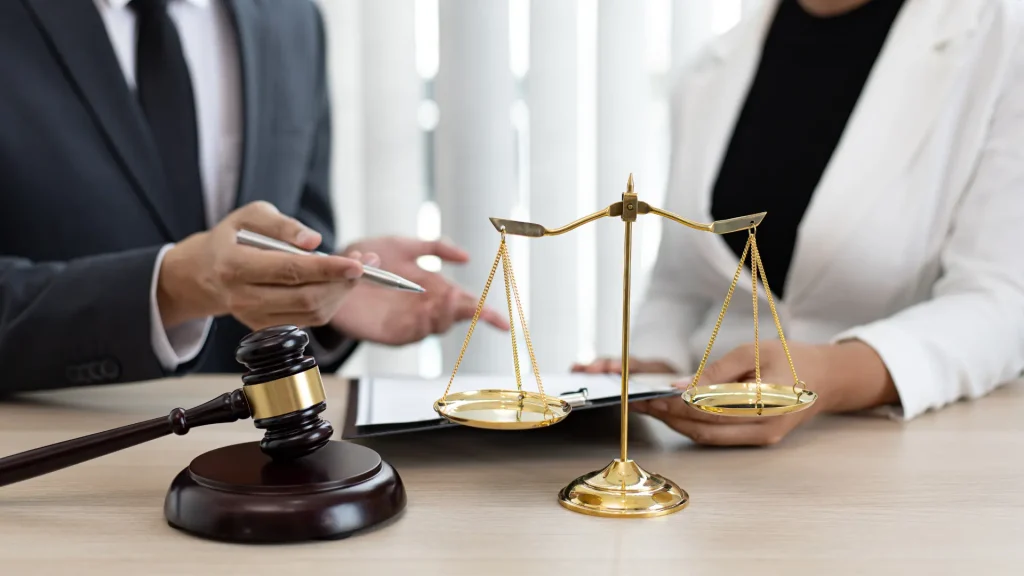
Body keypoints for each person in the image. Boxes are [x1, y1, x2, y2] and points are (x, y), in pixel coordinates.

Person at [575, 0, 1024, 445]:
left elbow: (1001, 301)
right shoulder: (708, 70)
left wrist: (833, 374)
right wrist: (652, 372)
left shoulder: (999, 40)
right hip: (711, 458)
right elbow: (681, 286)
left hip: (907, 452)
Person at [0, 0, 506, 393]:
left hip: (253, 464)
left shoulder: (293, 19)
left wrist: (326, 286)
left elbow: (296, 228)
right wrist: (169, 288)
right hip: (55, 470)